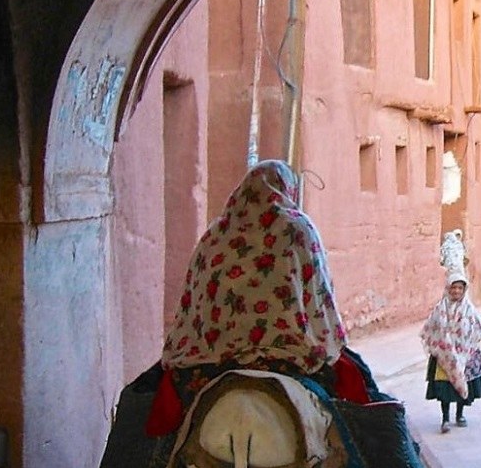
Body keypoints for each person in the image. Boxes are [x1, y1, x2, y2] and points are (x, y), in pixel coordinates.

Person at [147, 159, 356, 436]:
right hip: (291, 361)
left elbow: (191, 304)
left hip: (207, 364)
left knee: (140, 409)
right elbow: (321, 302)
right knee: (361, 409)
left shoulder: (214, 235)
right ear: (287, 191)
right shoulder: (300, 229)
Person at [420, 271, 481, 433]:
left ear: (464, 290)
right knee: (444, 388)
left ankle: (460, 415)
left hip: (464, 355)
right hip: (444, 356)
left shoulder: (469, 309)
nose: (456, 291)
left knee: (462, 385)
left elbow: (478, 329)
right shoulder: (440, 308)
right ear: (448, 288)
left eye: (460, 288)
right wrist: (441, 343)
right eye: (453, 288)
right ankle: (445, 419)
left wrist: (467, 345)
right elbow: (430, 328)